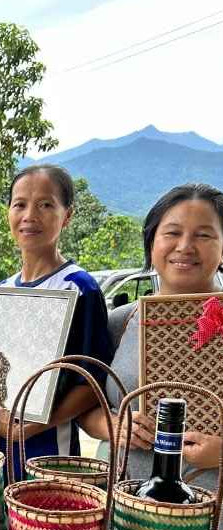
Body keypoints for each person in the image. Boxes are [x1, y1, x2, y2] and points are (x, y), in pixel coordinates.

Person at [80, 183, 223, 500]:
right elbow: (85, 406)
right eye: (172, 233)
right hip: (123, 502)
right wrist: (113, 425)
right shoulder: (122, 321)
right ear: (151, 241)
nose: (185, 246)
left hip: (213, 516)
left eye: (204, 235)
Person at [0, 164, 113, 479]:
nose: (29, 215)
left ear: (67, 216)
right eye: (19, 204)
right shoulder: (3, 290)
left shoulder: (78, 288)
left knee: (42, 522)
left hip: (46, 448)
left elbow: (91, 382)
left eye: (46, 204)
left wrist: (37, 424)